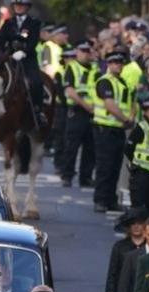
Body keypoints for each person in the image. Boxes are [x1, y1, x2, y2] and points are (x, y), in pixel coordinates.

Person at [92, 50, 134, 214]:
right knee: (105, 166)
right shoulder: (105, 82)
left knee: (115, 166)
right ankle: (100, 200)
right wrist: (125, 119)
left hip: (118, 129)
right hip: (105, 129)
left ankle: (110, 200)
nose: (118, 65)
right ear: (108, 64)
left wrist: (129, 118)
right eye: (115, 63)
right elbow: (109, 105)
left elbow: (131, 103)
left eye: (120, 63)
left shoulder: (123, 82)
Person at [0, 0, 47, 128]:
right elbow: (0, 41)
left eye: (21, 5)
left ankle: (38, 110)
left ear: (27, 7)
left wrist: (24, 51)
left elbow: (34, 41)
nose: (19, 7)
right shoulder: (8, 23)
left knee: (36, 82)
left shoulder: (34, 23)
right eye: (17, 5)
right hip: (11, 57)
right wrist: (6, 53)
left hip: (27, 59)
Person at [60, 40, 97, 188]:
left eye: (88, 51)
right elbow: (70, 91)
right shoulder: (72, 68)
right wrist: (87, 106)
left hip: (93, 113)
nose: (86, 54)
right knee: (71, 146)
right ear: (77, 53)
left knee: (90, 147)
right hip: (77, 111)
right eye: (83, 51)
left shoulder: (95, 69)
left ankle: (85, 177)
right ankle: (67, 175)